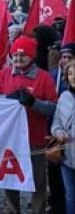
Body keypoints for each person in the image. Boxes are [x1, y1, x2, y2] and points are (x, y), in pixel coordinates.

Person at [0, 35, 58, 214]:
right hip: (10, 139)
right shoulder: (4, 74)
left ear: (32, 56)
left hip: (35, 138)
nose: (18, 59)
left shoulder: (44, 78)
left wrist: (33, 103)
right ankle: (13, 210)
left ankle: (38, 211)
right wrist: (5, 99)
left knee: (38, 181)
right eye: (15, 55)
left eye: (23, 55)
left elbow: (53, 108)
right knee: (10, 178)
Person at [52, 61, 75, 214]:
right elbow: (56, 122)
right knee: (70, 196)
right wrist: (58, 132)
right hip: (68, 157)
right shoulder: (64, 97)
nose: (73, 77)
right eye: (71, 73)